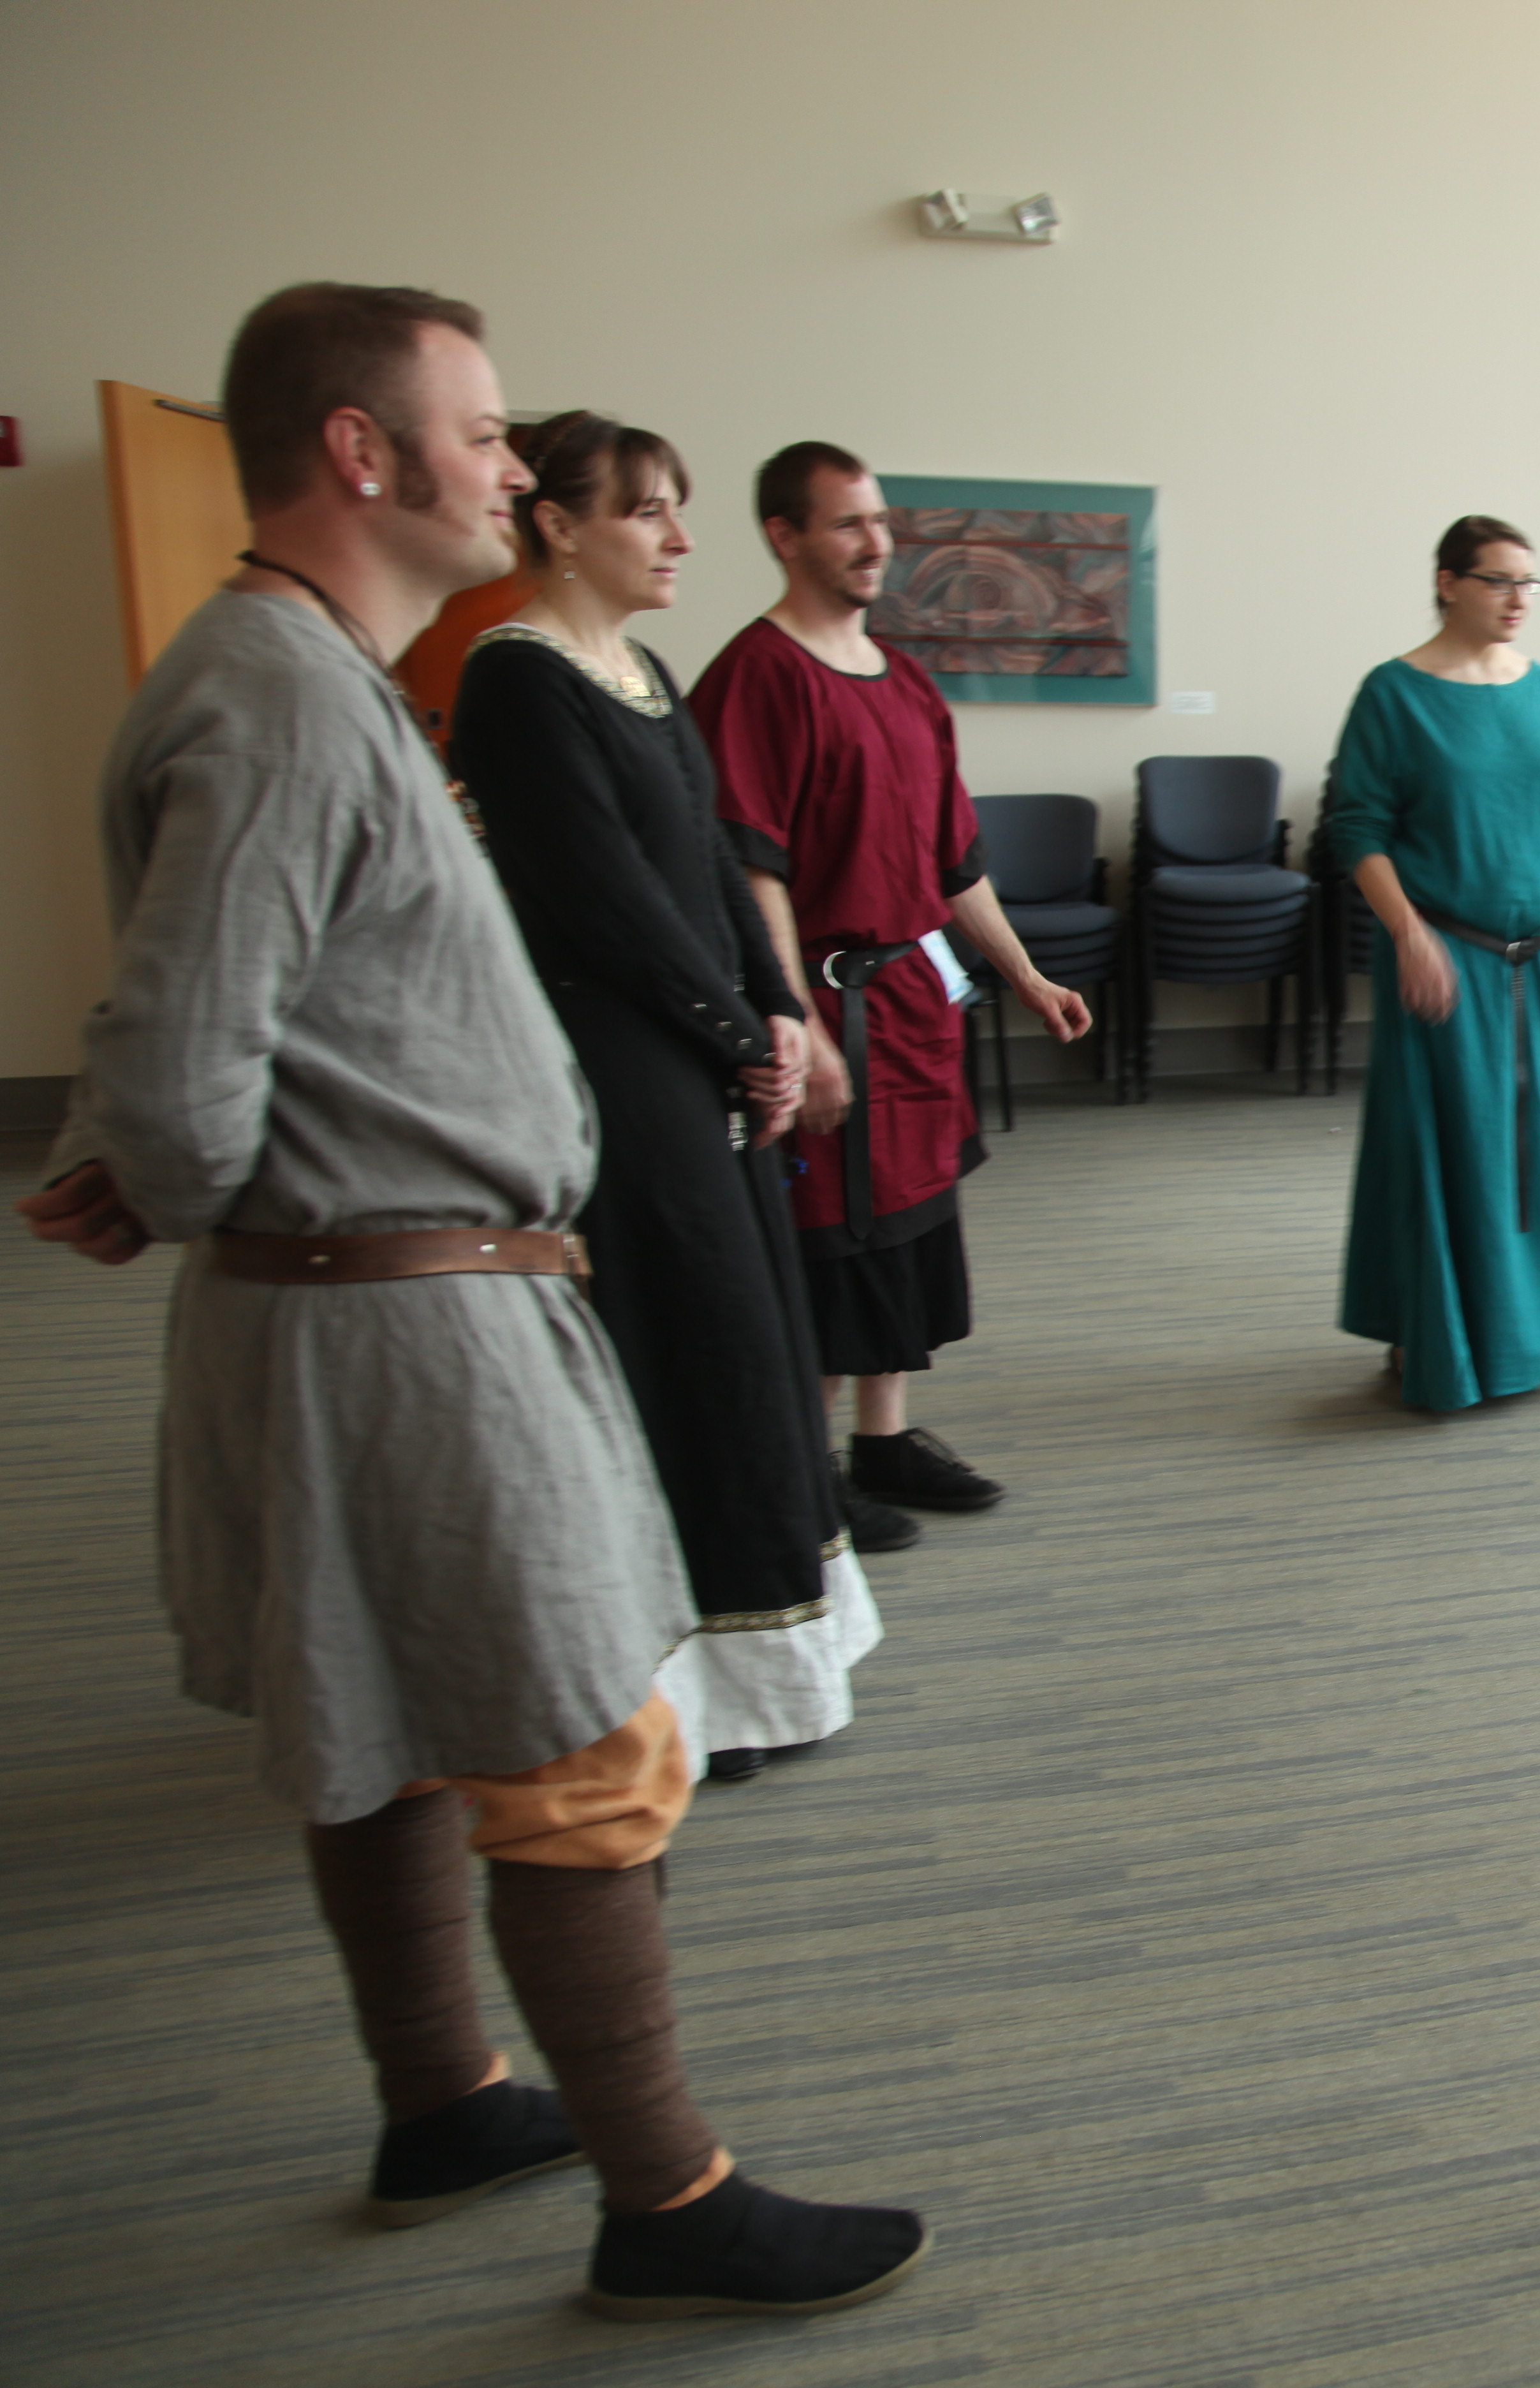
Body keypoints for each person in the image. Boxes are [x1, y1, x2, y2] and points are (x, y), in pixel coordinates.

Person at [17, 283, 921, 2316]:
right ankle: (667, 2201)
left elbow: (199, 1002)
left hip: (362, 1294)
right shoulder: (279, 693)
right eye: (488, 430)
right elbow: (187, 1073)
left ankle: (441, 2100)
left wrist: (137, 1153)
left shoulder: (298, 675)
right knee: (581, 1738)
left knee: (393, 1720)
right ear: (363, 452)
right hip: (402, 1313)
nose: (515, 468)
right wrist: (151, 1163)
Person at [450, 411, 884, 1787]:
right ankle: (674, 1683)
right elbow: (603, 903)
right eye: (646, 511)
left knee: (749, 1340)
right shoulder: (514, 680)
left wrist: (777, 1010)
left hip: (706, 1058)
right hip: (621, 1069)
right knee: (679, 1342)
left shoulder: (640, 669)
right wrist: (737, 1034)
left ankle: (757, 1662)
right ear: (558, 524)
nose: (681, 539)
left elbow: (708, 863)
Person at [689, 443, 1090, 1531]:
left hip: (913, 1003)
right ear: (784, 536)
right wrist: (798, 1023)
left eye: (879, 521)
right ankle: (807, 1469)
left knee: (910, 1222)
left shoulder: (906, 681)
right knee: (831, 1236)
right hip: (830, 1008)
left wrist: (1024, 972)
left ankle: (884, 1438)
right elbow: (753, 867)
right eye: (847, 524)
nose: (877, 543)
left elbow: (953, 862)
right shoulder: (760, 675)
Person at [1327, 515, 1540, 1408]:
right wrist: (1409, 935)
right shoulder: (1394, 695)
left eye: (1528, 583)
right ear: (1448, 583)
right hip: (1450, 961)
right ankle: (1443, 1336)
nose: (1517, 599)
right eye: (1499, 580)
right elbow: (1358, 829)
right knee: (1459, 1155)